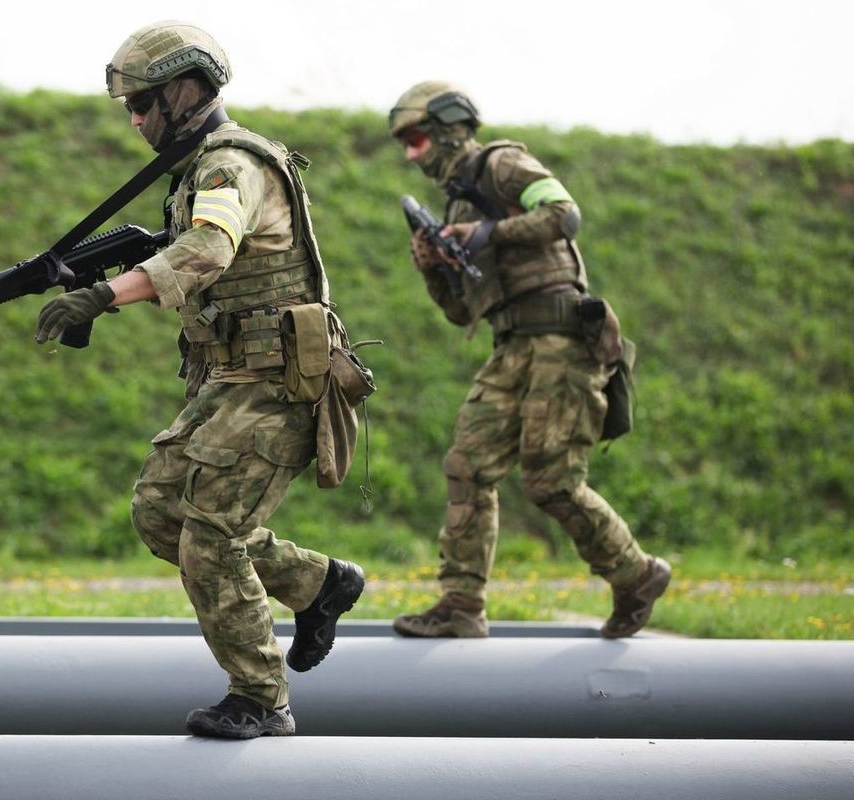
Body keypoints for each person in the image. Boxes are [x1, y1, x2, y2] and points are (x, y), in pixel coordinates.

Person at [33, 21, 365, 739]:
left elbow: (209, 251)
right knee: (160, 514)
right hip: (228, 380)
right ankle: (319, 584)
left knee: (212, 535)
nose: (134, 119)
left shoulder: (228, 168)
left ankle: (260, 698)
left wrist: (104, 295)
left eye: (142, 104)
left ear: (184, 93)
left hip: (277, 383)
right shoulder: (196, 170)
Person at [387, 81, 670, 639]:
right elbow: (459, 311)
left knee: (552, 482)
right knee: (467, 465)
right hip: (511, 347)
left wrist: (487, 232)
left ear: (450, 126)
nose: (412, 154)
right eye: (405, 144)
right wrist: (435, 266)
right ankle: (462, 604)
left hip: (562, 341)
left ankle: (635, 575)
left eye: (417, 138)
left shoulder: (503, 164)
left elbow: (564, 214)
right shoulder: (460, 204)